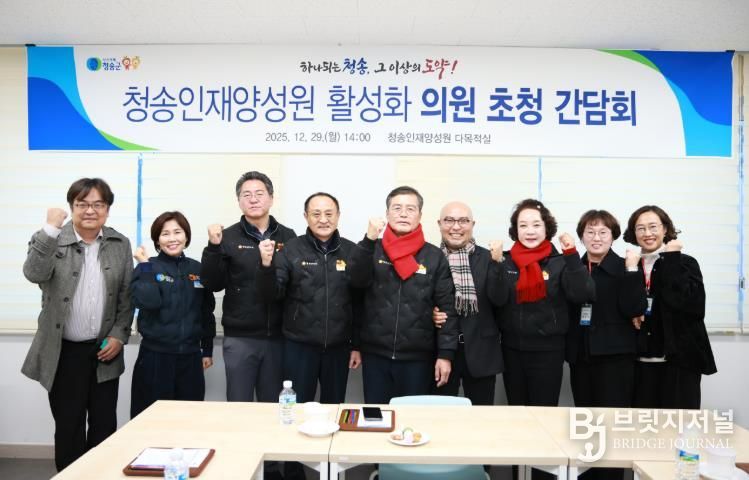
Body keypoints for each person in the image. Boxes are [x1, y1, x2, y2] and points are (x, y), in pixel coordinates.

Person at [21, 178, 134, 471]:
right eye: (82, 204)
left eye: (98, 204)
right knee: (69, 427)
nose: (90, 210)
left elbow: (126, 296)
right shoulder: (51, 238)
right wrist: (49, 229)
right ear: (71, 207)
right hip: (64, 352)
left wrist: (119, 336)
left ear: (107, 209)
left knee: (104, 427)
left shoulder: (119, 244)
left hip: (105, 351)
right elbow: (34, 273)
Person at [348, 186, 458, 404]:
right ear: (387, 213)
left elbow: (447, 308)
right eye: (397, 208)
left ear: (420, 215)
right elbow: (355, 283)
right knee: (378, 416)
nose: (404, 214)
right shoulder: (373, 249)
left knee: (412, 417)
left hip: (418, 358)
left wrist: (446, 355)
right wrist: (369, 239)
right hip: (375, 355)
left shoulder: (434, 256)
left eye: (410, 209)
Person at [200, 171, 296, 403]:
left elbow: (294, 287)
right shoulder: (227, 237)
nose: (253, 199)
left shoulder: (288, 236)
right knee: (238, 404)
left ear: (271, 198)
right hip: (240, 338)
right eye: (247, 195)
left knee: (272, 406)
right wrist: (213, 247)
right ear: (239, 201)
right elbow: (212, 283)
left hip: (277, 338)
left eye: (259, 194)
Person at [257, 192, 361, 405]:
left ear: (338, 215)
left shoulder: (352, 251)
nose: (323, 219)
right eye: (316, 214)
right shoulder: (291, 249)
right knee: (297, 406)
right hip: (299, 346)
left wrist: (356, 345)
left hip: (339, 346)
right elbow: (273, 294)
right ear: (306, 216)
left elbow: (359, 302)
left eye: (329, 214)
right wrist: (266, 266)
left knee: (334, 406)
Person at [566, 210, 648, 480]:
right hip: (581, 356)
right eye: (590, 232)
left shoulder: (626, 266)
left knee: (611, 429)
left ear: (613, 236)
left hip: (616, 358)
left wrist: (632, 271)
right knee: (586, 426)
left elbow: (635, 308)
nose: (596, 238)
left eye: (603, 232)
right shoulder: (573, 266)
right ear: (582, 237)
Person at [490, 199, 594, 407]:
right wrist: (496, 264)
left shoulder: (560, 261)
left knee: (544, 411)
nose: (530, 231)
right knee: (517, 411)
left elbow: (583, 293)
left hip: (549, 352)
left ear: (547, 228)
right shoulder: (506, 260)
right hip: (512, 351)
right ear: (515, 230)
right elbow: (496, 299)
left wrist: (572, 255)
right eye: (523, 225)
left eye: (536, 225)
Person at [623, 205, 717, 409]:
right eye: (640, 228)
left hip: (679, 362)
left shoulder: (684, 262)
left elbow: (691, 306)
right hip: (639, 362)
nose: (647, 233)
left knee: (679, 424)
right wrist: (631, 269)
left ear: (665, 229)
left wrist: (671, 258)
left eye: (653, 226)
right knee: (643, 425)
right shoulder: (630, 264)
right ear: (634, 232)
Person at [130, 211, 216, 418]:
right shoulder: (148, 267)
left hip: (191, 357)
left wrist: (207, 350)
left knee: (188, 419)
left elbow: (206, 312)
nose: (172, 238)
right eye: (165, 234)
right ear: (157, 240)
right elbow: (148, 302)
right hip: (155, 357)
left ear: (186, 236)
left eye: (177, 232)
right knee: (151, 419)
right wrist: (145, 266)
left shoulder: (197, 269)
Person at [431, 201, 504, 405]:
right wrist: (430, 313)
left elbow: (500, 300)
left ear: (472, 224)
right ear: (439, 224)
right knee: (441, 414)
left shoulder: (489, 258)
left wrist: (498, 264)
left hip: (481, 351)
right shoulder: (429, 257)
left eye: (463, 221)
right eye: (449, 220)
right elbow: (416, 298)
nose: (456, 227)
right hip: (440, 352)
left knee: (481, 416)